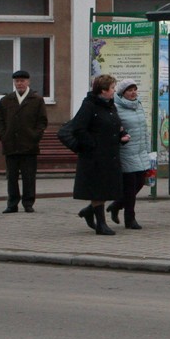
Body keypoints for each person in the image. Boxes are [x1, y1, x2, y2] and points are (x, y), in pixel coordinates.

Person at [65, 74, 129, 236]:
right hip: (95, 156)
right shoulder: (89, 106)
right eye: (112, 88)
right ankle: (101, 224)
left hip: (110, 154)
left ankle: (89, 212)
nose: (114, 91)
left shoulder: (110, 105)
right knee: (98, 190)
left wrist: (121, 136)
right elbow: (78, 128)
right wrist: (92, 144)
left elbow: (114, 125)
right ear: (103, 90)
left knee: (107, 188)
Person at [0, 69, 48, 214]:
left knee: (28, 176)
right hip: (10, 144)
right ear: (14, 83)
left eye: (22, 81)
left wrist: (35, 136)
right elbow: (0, 121)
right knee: (11, 177)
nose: (20, 84)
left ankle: (28, 203)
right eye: (17, 81)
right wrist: (3, 136)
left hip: (29, 144)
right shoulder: (6, 100)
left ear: (28, 82)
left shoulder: (36, 100)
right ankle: (12, 203)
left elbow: (42, 121)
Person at [106, 79, 149, 230]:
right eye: (129, 90)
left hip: (140, 151)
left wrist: (148, 150)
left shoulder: (138, 105)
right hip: (126, 151)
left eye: (134, 89)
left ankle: (117, 205)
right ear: (122, 93)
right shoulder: (116, 107)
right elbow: (115, 128)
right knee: (130, 187)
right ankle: (130, 219)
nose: (133, 93)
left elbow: (144, 130)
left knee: (141, 182)